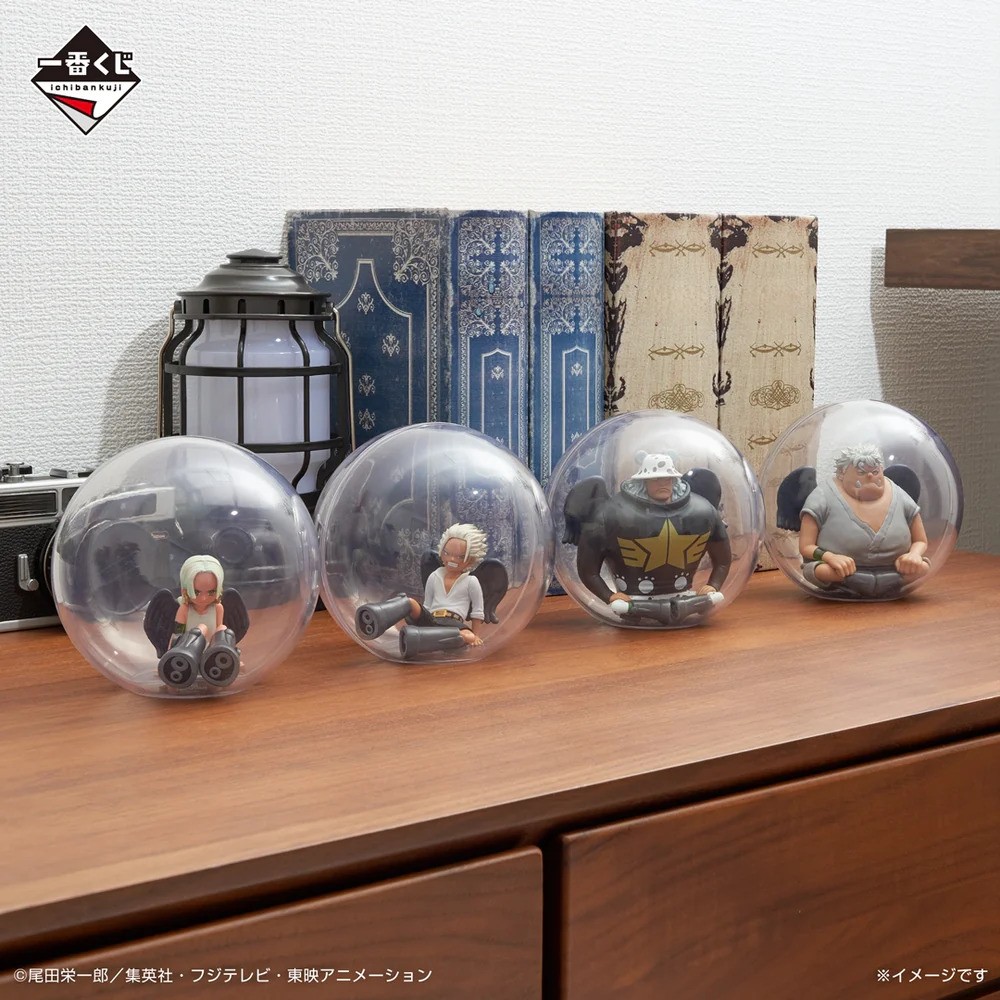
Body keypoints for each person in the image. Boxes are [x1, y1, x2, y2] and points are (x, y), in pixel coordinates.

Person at [566, 453, 731, 626]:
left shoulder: (703, 510)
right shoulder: (610, 514)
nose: (662, 483)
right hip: (632, 600)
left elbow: (723, 560)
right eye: (656, 479)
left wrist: (713, 585)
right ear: (644, 481)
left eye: (667, 478)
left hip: (687, 596)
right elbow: (588, 570)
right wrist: (609, 596)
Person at [798, 444, 930, 598]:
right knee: (821, 571)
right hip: (841, 573)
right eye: (861, 472)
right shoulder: (822, 496)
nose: (870, 477)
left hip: (895, 570)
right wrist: (831, 557)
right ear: (842, 473)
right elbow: (806, 546)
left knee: (922, 567)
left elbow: (921, 541)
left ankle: (888, 583)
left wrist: (913, 555)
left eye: (875, 472)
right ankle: (850, 584)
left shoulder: (899, 494)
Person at [355, 524, 501, 657]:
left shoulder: (471, 581)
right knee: (410, 602)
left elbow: (477, 611)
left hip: (453, 623)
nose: (452, 559)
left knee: (467, 636)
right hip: (431, 617)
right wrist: (420, 617)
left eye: (459, 557)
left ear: (470, 560)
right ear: (441, 552)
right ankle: (377, 616)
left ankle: (414, 640)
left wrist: (476, 635)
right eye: (447, 553)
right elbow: (428, 604)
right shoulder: (435, 575)